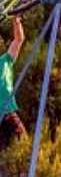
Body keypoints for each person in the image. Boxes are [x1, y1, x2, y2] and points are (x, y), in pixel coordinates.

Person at [0, 17, 25, 150]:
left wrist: (16, 22)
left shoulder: (5, 60)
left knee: (23, 147)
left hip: (9, 114)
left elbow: (19, 39)